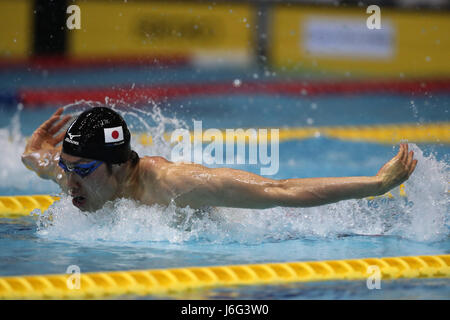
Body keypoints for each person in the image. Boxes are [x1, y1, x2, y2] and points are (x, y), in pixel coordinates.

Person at [22, 107, 418, 212]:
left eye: (83, 170)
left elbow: (278, 190)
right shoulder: (77, 175)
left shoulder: (176, 185)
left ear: (122, 165)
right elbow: (36, 160)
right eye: (67, 167)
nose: (70, 182)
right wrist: (34, 150)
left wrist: (376, 184)